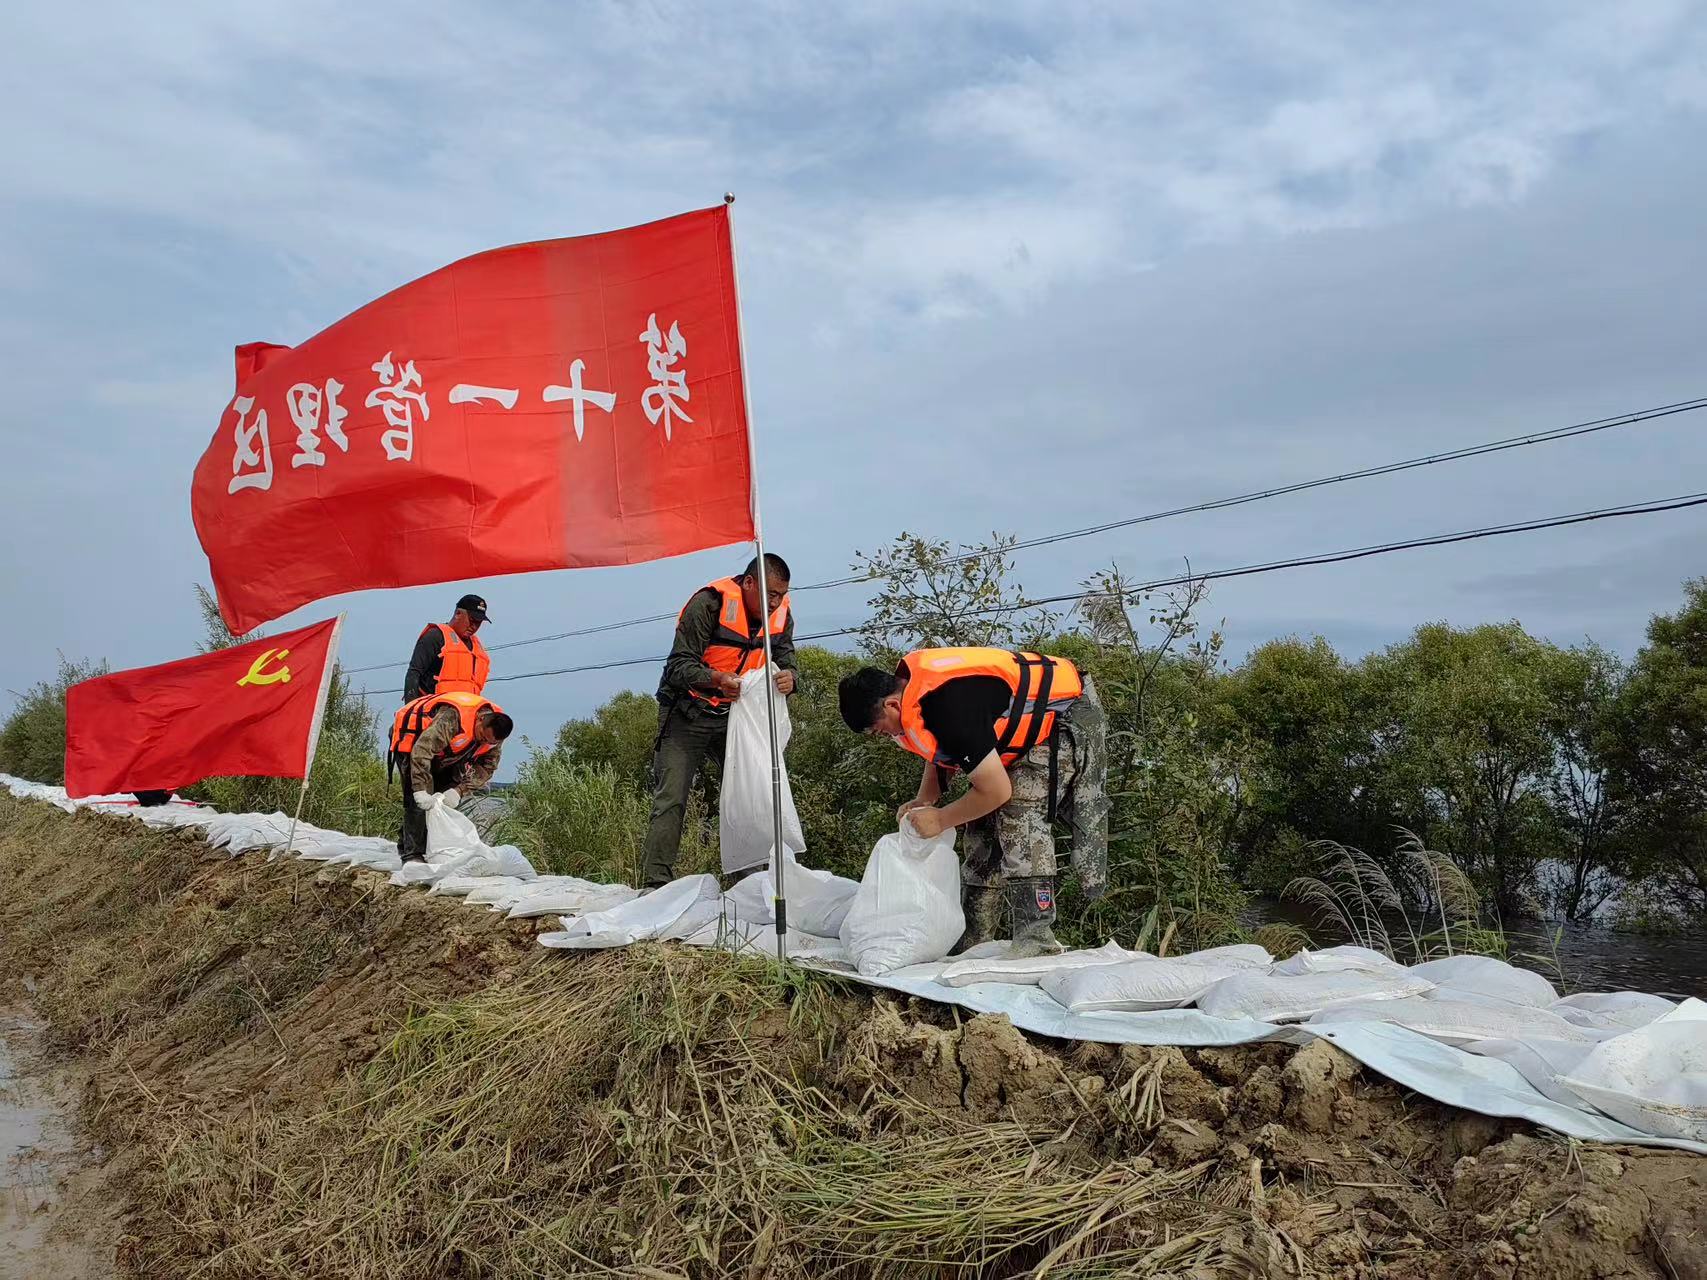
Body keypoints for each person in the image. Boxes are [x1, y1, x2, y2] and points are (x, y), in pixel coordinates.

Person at [837, 648, 1108, 958]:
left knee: (1020, 816)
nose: (884, 736)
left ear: (891, 704)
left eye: (878, 729)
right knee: (980, 830)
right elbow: (942, 749)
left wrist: (940, 819)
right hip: (1016, 732)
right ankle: (973, 937)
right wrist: (925, 799)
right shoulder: (920, 697)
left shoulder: (949, 707)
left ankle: (1037, 939)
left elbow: (996, 791)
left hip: (1065, 716)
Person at [640, 554, 797, 888]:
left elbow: (786, 659)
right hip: (688, 712)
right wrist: (715, 679)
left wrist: (791, 678)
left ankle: (752, 884)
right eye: (769, 594)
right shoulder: (708, 604)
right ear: (749, 582)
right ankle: (655, 885)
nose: (775, 602)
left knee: (752, 794)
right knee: (671, 799)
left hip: (735, 719)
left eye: (780, 595)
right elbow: (678, 667)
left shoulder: (781, 615)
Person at [388, 690, 513, 863]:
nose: (484, 743)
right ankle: (412, 855)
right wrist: (419, 789)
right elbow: (422, 751)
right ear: (480, 720)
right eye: (482, 736)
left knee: (441, 801)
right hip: (413, 746)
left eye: (490, 742)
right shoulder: (453, 718)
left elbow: (486, 767)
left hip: (448, 756)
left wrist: (459, 790)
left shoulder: (494, 738)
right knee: (420, 802)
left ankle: (421, 846)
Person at [403, 594, 492, 701]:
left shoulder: (477, 647)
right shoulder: (435, 636)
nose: (474, 626)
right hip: (435, 712)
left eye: (478, 623)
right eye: (472, 620)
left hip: (467, 712)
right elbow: (414, 673)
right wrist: (410, 708)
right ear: (458, 613)